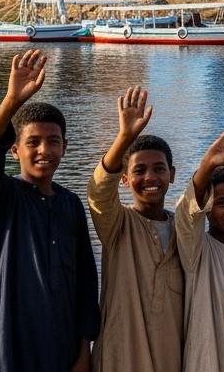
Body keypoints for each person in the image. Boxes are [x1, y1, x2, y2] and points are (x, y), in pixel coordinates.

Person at [0, 50, 99, 372]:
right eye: (33, 142)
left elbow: (86, 284)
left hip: (59, 348)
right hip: (2, 346)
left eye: (53, 142)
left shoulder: (71, 205)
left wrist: (84, 351)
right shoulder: (2, 196)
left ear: (65, 147)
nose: (44, 150)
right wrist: (11, 100)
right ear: (14, 150)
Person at [89, 86, 184, 372]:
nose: (150, 177)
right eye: (139, 171)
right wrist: (124, 138)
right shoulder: (117, 225)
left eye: (159, 169)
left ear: (172, 175)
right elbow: (98, 192)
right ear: (125, 179)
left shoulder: (184, 232)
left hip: (172, 358)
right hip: (121, 357)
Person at [176, 129, 224, 372]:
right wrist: (206, 167)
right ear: (207, 207)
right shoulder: (196, 247)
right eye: (221, 203)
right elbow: (186, 213)